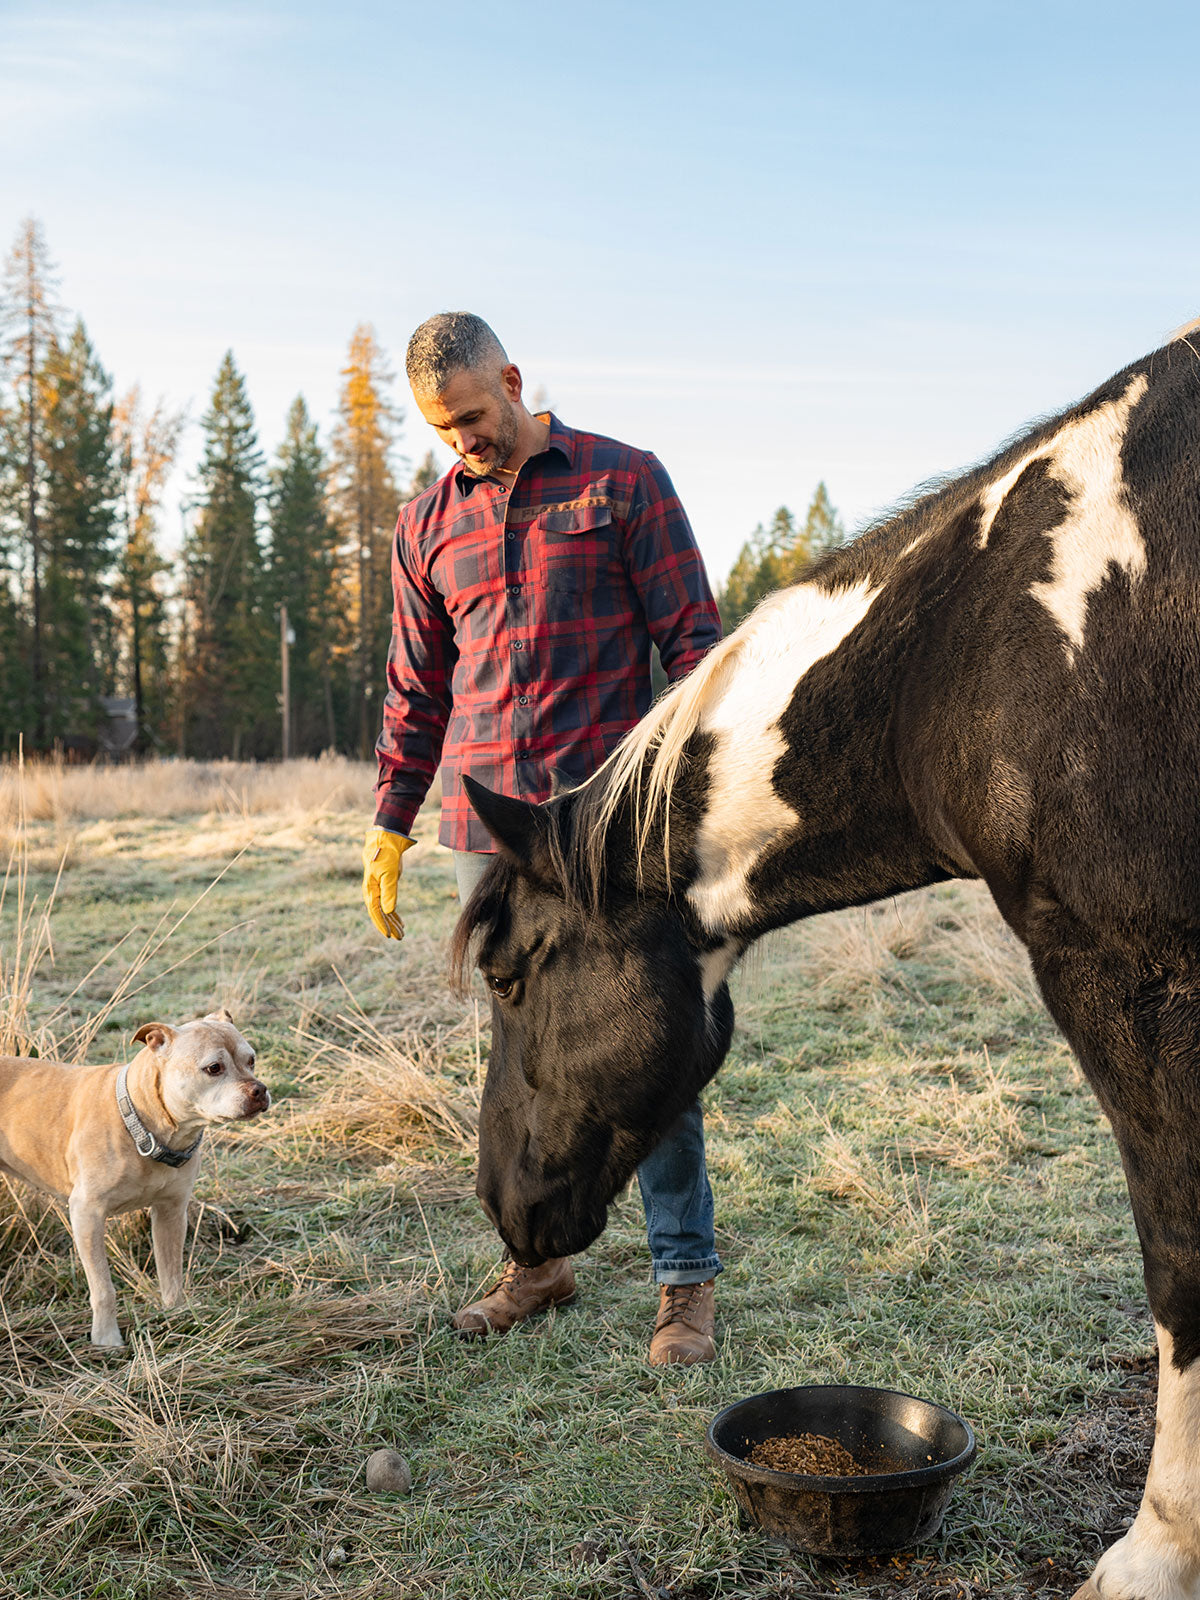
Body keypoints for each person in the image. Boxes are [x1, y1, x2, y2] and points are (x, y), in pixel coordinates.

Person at [361, 312, 723, 1364]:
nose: (462, 439)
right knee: (523, 1058)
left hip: (608, 835)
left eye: (473, 415)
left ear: (513, 381)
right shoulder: (424, 525)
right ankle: (538, 1258)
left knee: (644, 1048)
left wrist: (693, 799)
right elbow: (415, 690)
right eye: (442, 427)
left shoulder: (622, 482)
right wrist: (389, 823)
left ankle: (683, 1277)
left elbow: (695, 648)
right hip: (488, 840)